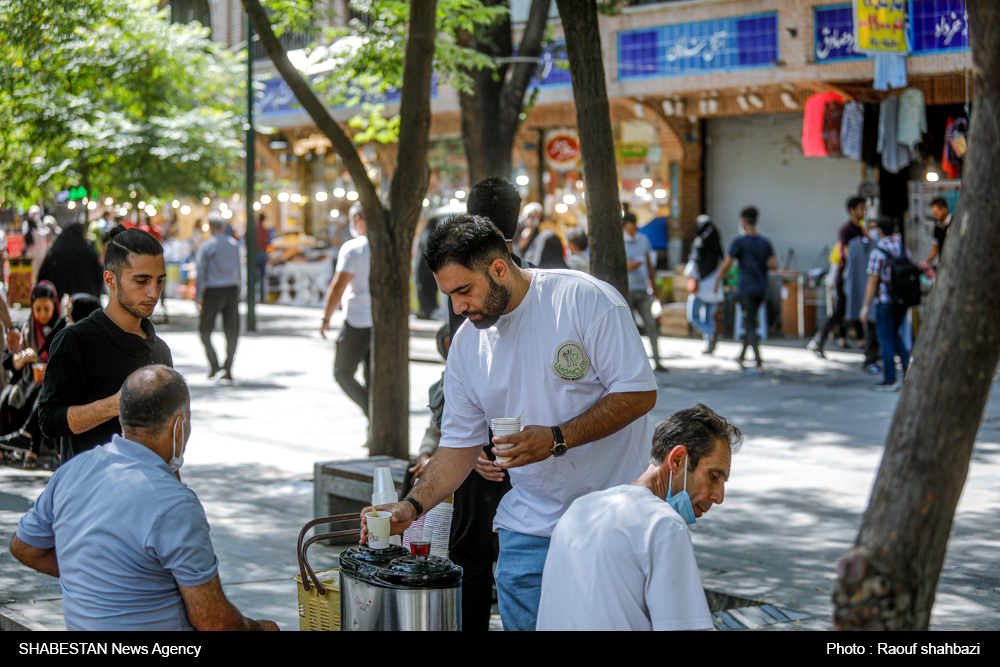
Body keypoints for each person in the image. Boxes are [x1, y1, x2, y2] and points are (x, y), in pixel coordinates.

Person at [361, 215, 658, 631]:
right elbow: (458, 446)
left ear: (499, 268)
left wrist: (557, 438)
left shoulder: (584, 299)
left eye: (464, 290)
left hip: (612, 522)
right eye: (448, 295)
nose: (458, 307)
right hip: (527, 531)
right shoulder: (466, 346)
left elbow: (638, 393)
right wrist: (411, 505)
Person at [11, 366, 279, 631]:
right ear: (180, 425)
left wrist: (96, 577)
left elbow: (24, 547)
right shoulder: (175, 503)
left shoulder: (71, 471)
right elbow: (215, 622)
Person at [537, 405, 742, 631]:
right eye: (713, 477)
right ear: (677, 459)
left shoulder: (580, 508)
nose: (719, 497)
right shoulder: (663, 524)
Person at [37, 226, 172, 461]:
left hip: (147, 490)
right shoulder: (75, 340)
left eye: (160, 281)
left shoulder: (160, 349)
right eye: (141, 281)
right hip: (90, 490)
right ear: (110, 279)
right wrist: (114, 404)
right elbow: (49, 421)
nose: (154, 292)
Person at [0, 282, 67, 468]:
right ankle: (4, 445)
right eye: (37, 309)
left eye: (47, 308)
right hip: (27, 380)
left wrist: (50, 368)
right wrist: (20, 360)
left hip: (52, 384)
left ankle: (32, 448)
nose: (42, 314)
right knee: (6, 397)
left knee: (43, 395)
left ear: (55, 305)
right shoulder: (24, 328)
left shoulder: (62, 328)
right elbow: (8, 361)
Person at [320, 202, 371, 426]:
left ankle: (370, 410)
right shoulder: (386, 245)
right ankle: (374, 421)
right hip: (378, 322)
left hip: (358, 319)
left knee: (343, 372)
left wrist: (326, 317)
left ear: (359, 219)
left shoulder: (354, 248)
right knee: (372, 376)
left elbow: (338, 286)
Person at [714, 206, 777, 373]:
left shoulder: (739, 241)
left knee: (749, 324)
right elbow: (773, 264)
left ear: (742, 221)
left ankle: (758, 362)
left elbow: (726, 264)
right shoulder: (764, 242)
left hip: (747, 289)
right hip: (762, 288)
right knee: (749, 322)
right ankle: (742, 356)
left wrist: (717, 281)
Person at [809, 197, 867, 358]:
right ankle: (818, 340)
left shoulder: (862, 229)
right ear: (852, 210)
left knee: (853, 310)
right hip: (845, 278)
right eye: (861, 208)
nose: (864, 211)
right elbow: (847, 253)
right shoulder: (847, 230)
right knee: (839, 311)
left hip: (857, 278)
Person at [860, 217, 911, 391]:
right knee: (894, 334)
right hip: (902, 301)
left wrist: (865, 306)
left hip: (885, 301)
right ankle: (908, 369)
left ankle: (889, 379)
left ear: (879, 231)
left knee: (886, 339)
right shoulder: (902, 248)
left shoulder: (878, 251)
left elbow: (872, 281)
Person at [196, 215, 241, 381]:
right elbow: (239, 268)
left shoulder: (208, 245)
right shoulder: (233, 244)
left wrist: (199, 295)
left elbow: (201, 271)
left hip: (214, 291)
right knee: (232, 331)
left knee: (204, 329)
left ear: (211, 227)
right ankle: (228, 367)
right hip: (231, 290)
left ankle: (214, 364)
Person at [624, 212, 665, 372]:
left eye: (634, 228)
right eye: (629, 229)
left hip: (642, 288)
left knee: (651, 325)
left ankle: (657, 359)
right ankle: (633, 364)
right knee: (630, 328)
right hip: (626, 290)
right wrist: (629, 266)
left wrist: (654, 285)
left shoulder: (643, 240)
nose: (632, 232)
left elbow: (649, 263)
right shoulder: (619, 241)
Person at [844, 218, 881, 375]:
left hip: (875, 294)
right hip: (862, 291)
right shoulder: (853, 245)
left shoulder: (879, 246)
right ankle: (870, 358)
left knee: (874, 325)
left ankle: (872, 357)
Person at [684, 215, 725, 354]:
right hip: (714, 287)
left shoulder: (699, 243)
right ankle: (709, 345)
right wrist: (718, 283)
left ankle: (711, 334)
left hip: (701, 286)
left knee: (693, 316)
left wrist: (692, 278)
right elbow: (722, 264)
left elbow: (694, 265)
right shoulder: (717, 244)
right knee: (708, 317)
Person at [38, 222, 104, 298]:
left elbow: (43, 275)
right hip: (87, 302)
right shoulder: (87, 253)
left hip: (59, 300)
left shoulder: (56, 251)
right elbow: (98, 275)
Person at [923, 196, 952, 267]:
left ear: (944, 209)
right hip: (943, 263)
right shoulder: (937, 227)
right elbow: (935, 248)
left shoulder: (954, 223)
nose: (935, 216)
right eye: (934, 213)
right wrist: (926, 262)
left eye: (937, 213)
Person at [254, 213, 272, 304]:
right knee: (261, 277)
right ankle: (261, 298)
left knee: (253, 276)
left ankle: (253, 297)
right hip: (262, 253)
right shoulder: (265, 231)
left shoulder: (254, 230)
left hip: (255, 253)